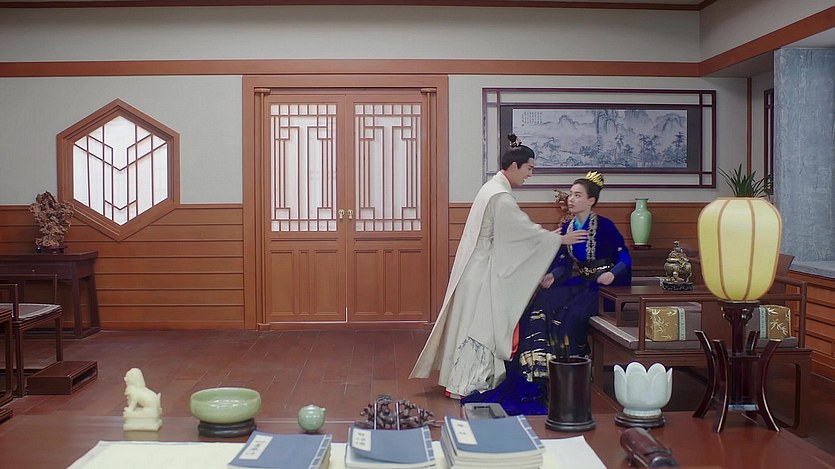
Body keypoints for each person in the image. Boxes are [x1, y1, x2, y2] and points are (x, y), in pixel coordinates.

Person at [409, 134, 588, 399]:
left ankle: (456, 380)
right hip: (484, 271)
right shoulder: (501, 197)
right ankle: (470, 382)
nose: (530, 174)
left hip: (476, 266)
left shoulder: (490, 188)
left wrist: (547, 238)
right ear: (514, 166)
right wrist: (558, 239)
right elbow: (521, 231)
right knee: (482, 327)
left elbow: (517, 233)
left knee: (471, 324)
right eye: (529, 168)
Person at [461, 171, 632, 414]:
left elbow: (624, 256)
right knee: (540, 304)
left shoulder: (605, 226)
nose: (571, 199)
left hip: (603, 289)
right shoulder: (568, 227)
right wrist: (553, 275)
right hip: (581, 282)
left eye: (577, 195)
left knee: (571, 315)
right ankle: (536, 372)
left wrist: (613, 274)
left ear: (591, 201)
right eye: (571, 194)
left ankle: (573, 373)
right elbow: (563, 262)